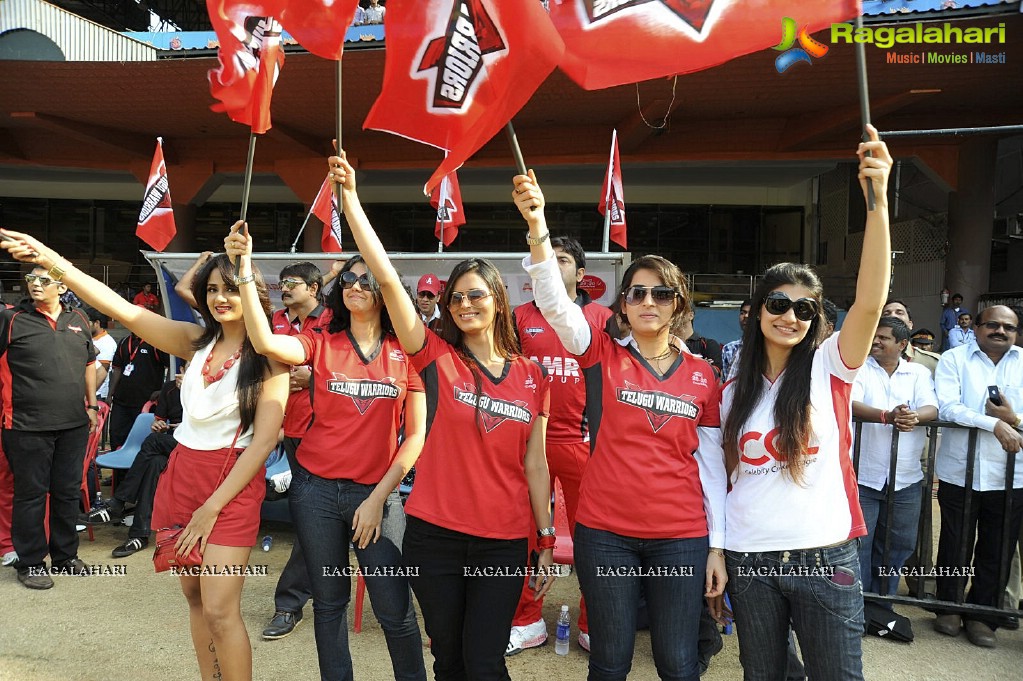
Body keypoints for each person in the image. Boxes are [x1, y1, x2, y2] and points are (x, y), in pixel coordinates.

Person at [1, 230, 289, 681]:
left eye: (231, 288)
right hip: (182, 476)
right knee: (193, 597)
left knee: (219, 608)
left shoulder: (270, 358)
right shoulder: (195, 340)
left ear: (252, 293)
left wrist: (212, 508)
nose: (219, 298)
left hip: (230, 486)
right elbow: (124, 311)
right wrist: (54, 260)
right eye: (211, 289)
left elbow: (264, 442)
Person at [329, 151, 556, 681]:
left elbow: (537, 467)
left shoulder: (531, 375)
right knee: (449, 659)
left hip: (502, 540)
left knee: (485, 660)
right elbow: (387, 280)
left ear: (498, 300)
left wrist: (545, 540)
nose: (464, 304)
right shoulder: (434, 356)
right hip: (434, 537)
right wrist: (352, 202)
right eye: (455, 298)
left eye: (476, 295)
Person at [515, 171, 727, 681]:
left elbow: (713, 466)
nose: (648, 303)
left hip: (680, 536)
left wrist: (716, 545)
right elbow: (553, 302)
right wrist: (538, 225)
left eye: (661, 294)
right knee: (610, 661)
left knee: (676, 662)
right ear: (622, 304)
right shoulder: (599, 352)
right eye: (636, 293)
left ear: (679, 303)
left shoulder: (704, 374)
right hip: (605, 532)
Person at [720, 126, 892, 680]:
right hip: (749, 561)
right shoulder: (730, 393)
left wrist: (879, 200)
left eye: (804, 309)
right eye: (777, 302)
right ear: (755, 310)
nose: (790, 315)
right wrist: (717, 552)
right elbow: (716, 479)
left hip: (826, 558)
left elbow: (870, 302)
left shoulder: (829, 368)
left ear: (817, 319)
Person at [225, 230, 427, 681]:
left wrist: (377, 499)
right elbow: (265, 342)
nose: (355, 285)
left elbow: (415, 438)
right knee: (330, 603)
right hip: (314, 492)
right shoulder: (321, 341)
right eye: (349, 280)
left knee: (394, 608)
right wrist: (242, 268)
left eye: (366, 280)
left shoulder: (407, 352)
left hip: (378, 496)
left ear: (387, 291)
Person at [507, 236, 612, 655]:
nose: (549, 266)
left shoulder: (604, 317)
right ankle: (527, 620)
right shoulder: (518, 317)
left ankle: (591, 623)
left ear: (581, 274)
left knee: (595, 538)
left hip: (584, 446)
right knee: (527, 536)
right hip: (530, 445)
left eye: (561, 259)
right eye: (543, 260)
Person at [0, 265, 99, 589]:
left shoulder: (78, 319)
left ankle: (65, 556)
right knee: (30, 495)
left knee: (67, 493)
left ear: (61, 285)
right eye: (31, 279)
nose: (36, 285)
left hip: (72, 424)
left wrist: (92, 404)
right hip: (25, 425)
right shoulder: (11, 319)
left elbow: (88, 364)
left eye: (44, 280)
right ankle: (29, 562)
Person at [932, 305, 1023, 648]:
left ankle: (984, 616)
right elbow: (948, 407)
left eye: (1008, 327)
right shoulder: (954, 359)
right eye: (993, 325)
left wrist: (1012, 419)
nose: (1000, 331)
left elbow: (1016, 419)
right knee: (955, 542)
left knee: (997, 546)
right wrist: (995, 424)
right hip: (960, 469)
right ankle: (947, 606)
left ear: (1016, 332)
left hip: (1011, 475)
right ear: (978, 328)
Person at [261, 262, 331, 641]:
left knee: (310, 518)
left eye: (293, 283)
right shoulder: (274, 321)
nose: (284, 288)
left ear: (315, 289)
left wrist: (316, 377)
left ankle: (289, 604)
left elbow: (354, 369)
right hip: (286, 430)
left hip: (326, 433)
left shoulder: (334, 321)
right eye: (282, 282)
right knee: (309, 517)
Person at [851, 316, 937, 600]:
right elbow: (850, 404)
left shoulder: (918, 374)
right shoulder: (860, 368)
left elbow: (931, 408)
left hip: (906, 476)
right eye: (874, 336)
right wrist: (886, 416)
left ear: (902, 344)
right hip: (863, 473)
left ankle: (884, 602)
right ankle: (860, 605)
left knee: (899, 544)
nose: (875, 341)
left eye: (883, 337)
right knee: (859, 543)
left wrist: (913, 416)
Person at [107, 370, 184, 558]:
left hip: (199, 445)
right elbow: (159, 420)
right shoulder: (170, 388)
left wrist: (191, 392)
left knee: (152, 441)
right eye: (186, 368)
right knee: (155, 463)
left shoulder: (209, 390)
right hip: (173, 444)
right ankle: (139, 534)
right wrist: (158, 425)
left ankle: (119, 501)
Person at [107, 331, 168, 450]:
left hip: (145, 402)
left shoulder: (156, 343)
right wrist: (110, 394)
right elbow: (118, 369)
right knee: (116, 436)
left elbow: (170, 365)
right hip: (121, 400)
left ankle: (137, 467)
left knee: (141, 440)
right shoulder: (124, 342)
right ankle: (118, 468)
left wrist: (163, 390)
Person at [882, 299, 941, 375]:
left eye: (899, 313)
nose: (893, 316)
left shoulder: (933, 362)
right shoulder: (866, 361)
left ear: (910, 324)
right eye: (886, 314)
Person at [721, 299, 751, 380]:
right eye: (742, 313)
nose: (746, 316)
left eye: (751, 313)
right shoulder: (729, 349)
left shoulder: (769, 348)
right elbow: (726, 382)